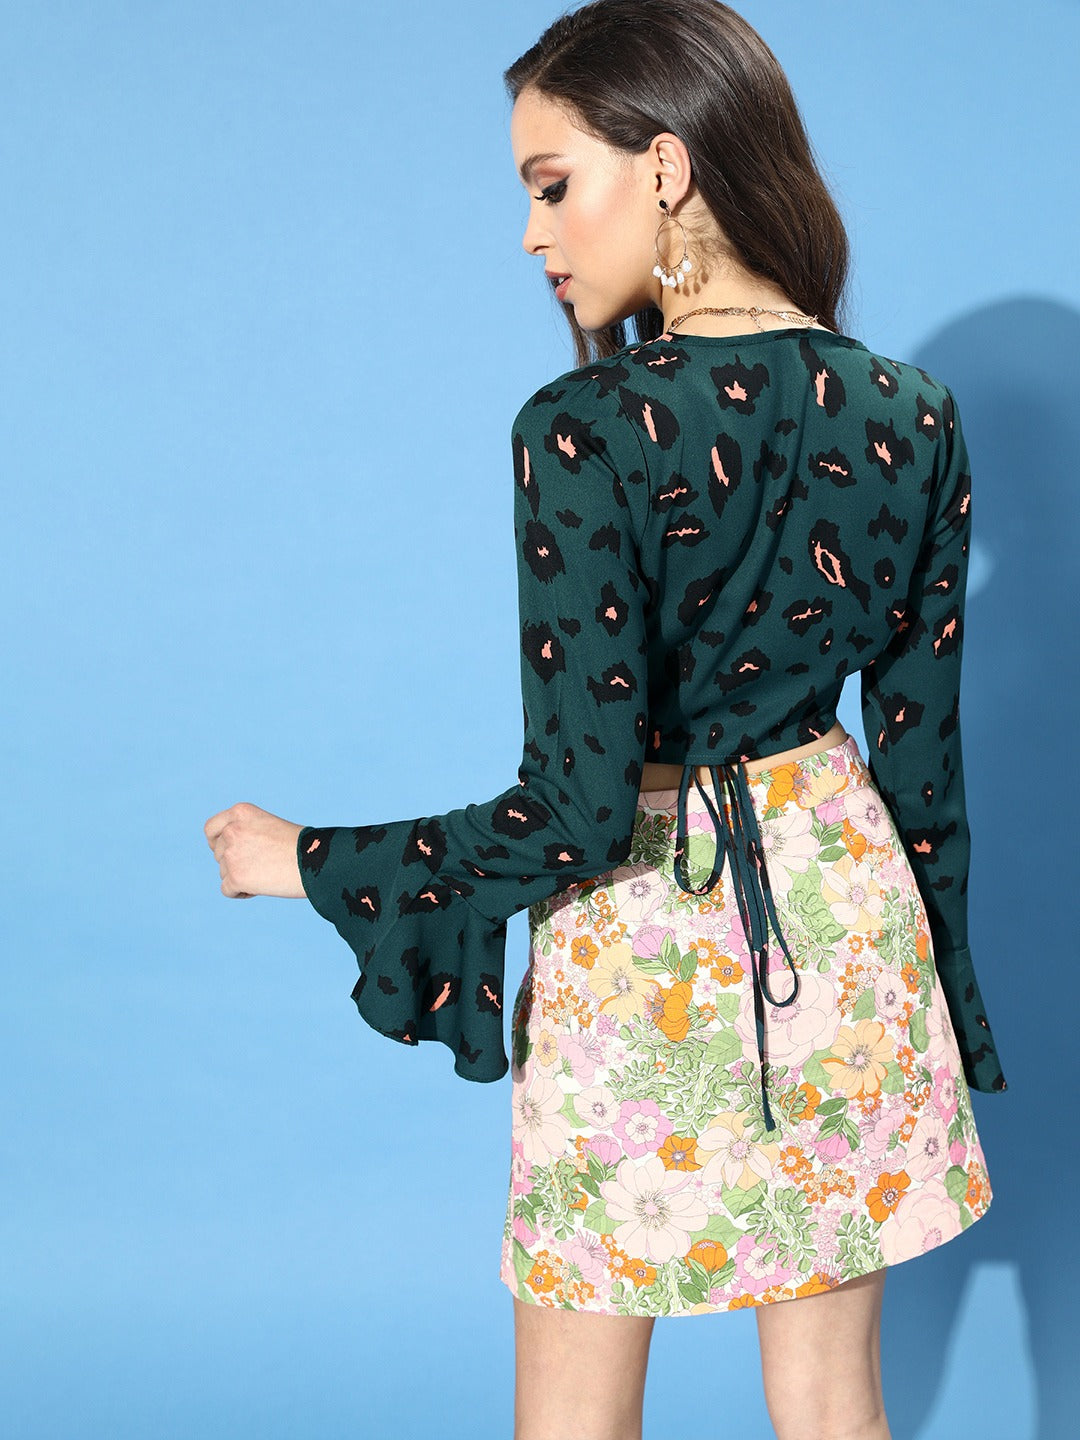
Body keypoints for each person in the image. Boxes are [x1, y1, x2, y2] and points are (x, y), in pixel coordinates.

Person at [205, 3, 1008, 1436]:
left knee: (574, 1414)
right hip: (850, 919)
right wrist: (945, 1003)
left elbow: (579, 811)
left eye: (550, 184)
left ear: (667, 166)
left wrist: (316, 860)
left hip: (648, 930)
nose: (533, 236)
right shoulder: (917, 412)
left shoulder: (583, 429)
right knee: (836, 1406)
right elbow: (923, 769)